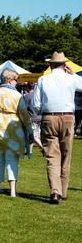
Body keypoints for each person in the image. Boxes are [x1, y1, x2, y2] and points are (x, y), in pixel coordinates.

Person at [32, 51, 82, 204]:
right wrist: (74, 75)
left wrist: (43, 111)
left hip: (49, 117)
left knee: (52, 156)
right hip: (68, 117)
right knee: (66, 153)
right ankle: (63, 190)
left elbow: (36, 104)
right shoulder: (71, 79)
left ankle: (55, 190)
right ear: (64, 65)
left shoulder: (42, 80)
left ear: (50, 64)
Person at [0, 68, 32, 198]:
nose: (17, 83)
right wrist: (31, 131)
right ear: (10, 80)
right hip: (13, 131)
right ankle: (12, 191)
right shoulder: (17, 96)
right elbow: (24, 115)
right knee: (12, 159)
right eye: (16, 80)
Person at [23, 81, 43, 157]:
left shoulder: (27, 96)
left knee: (34, 136)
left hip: (32, 118)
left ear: (27, 87)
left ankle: (43, 149)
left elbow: (24, 108)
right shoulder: (39, 96)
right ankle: (30, 152)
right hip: (40, 118)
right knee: (34, 136)